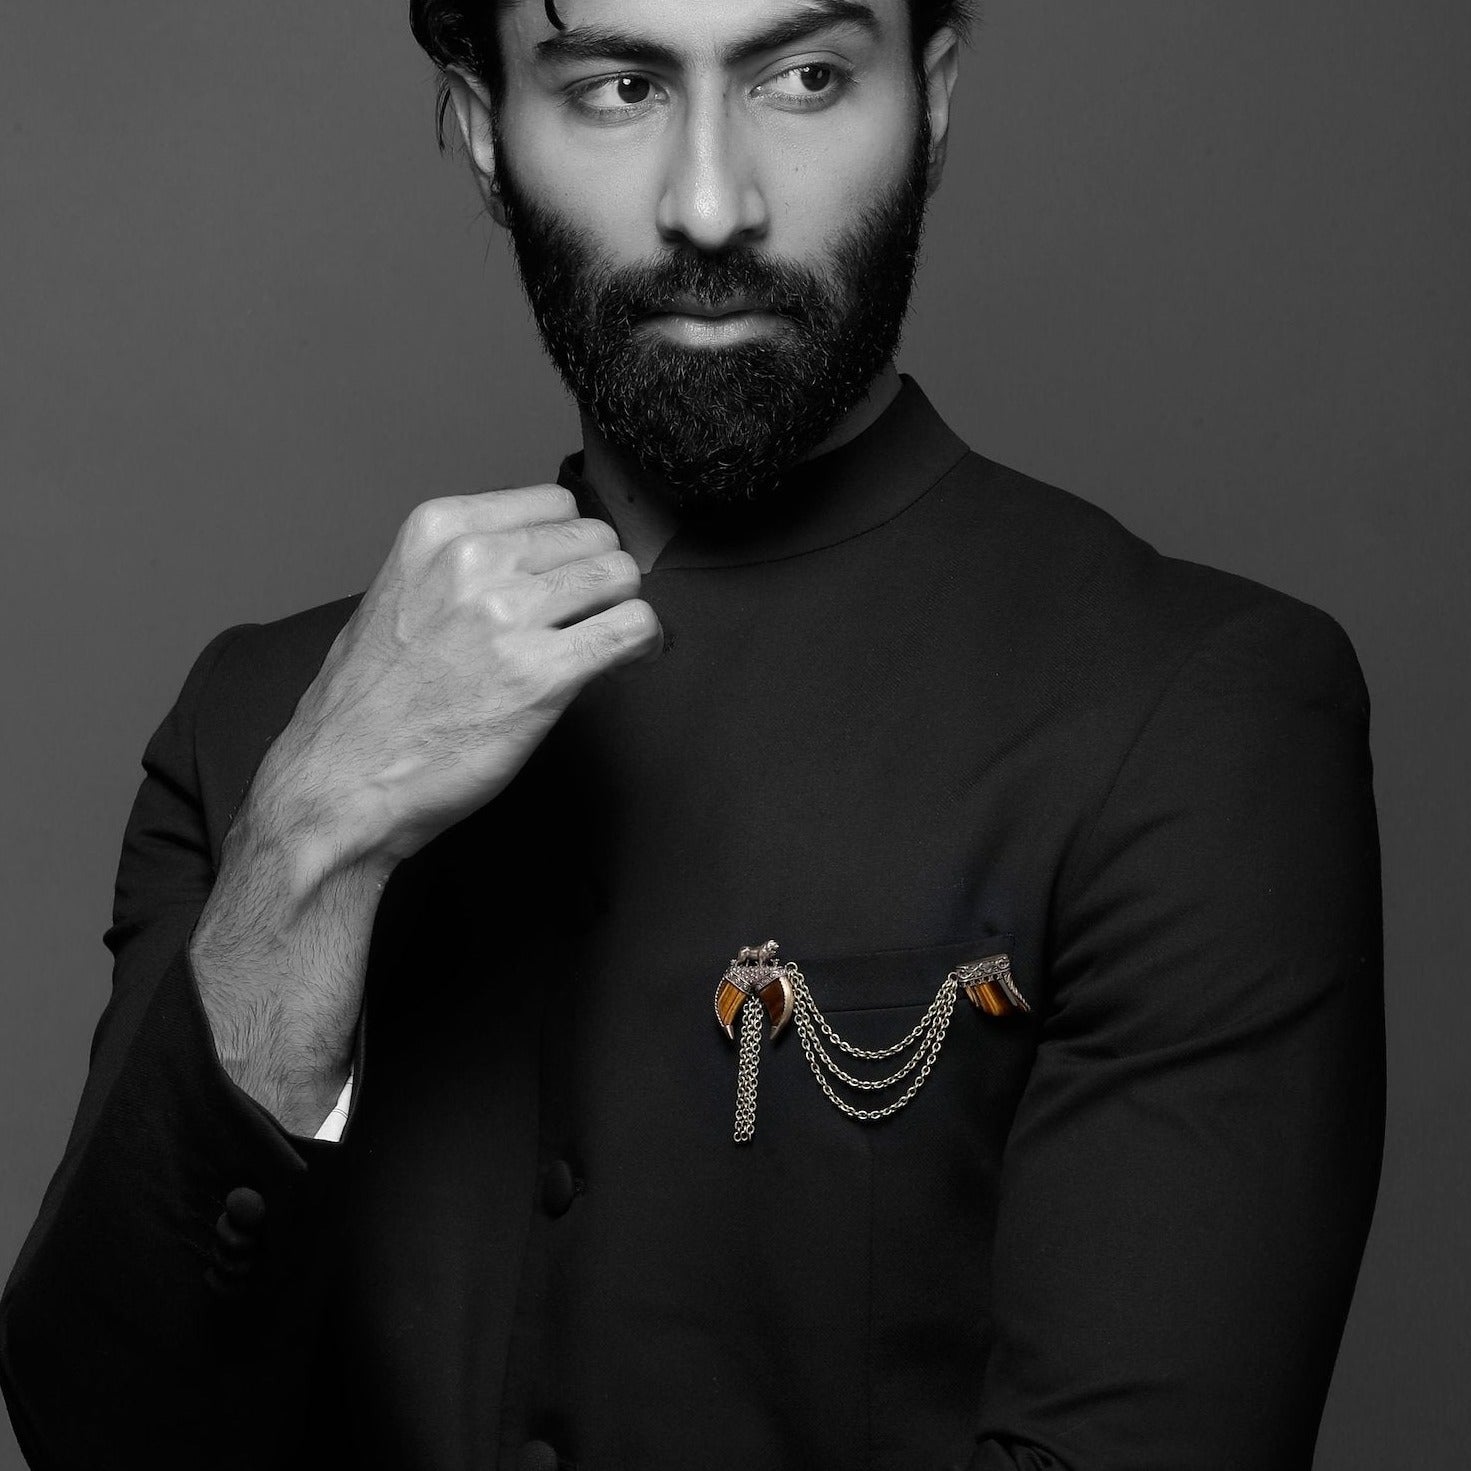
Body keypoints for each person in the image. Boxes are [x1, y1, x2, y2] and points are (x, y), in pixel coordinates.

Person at [0, 1, 1384, 1467]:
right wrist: (308, 848)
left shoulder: (1197, 711)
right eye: (617, 86)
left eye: (806, 77)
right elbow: (100, 1433)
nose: (712, 205)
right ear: (482, 129)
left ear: (930, 102)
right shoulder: (258, 728)